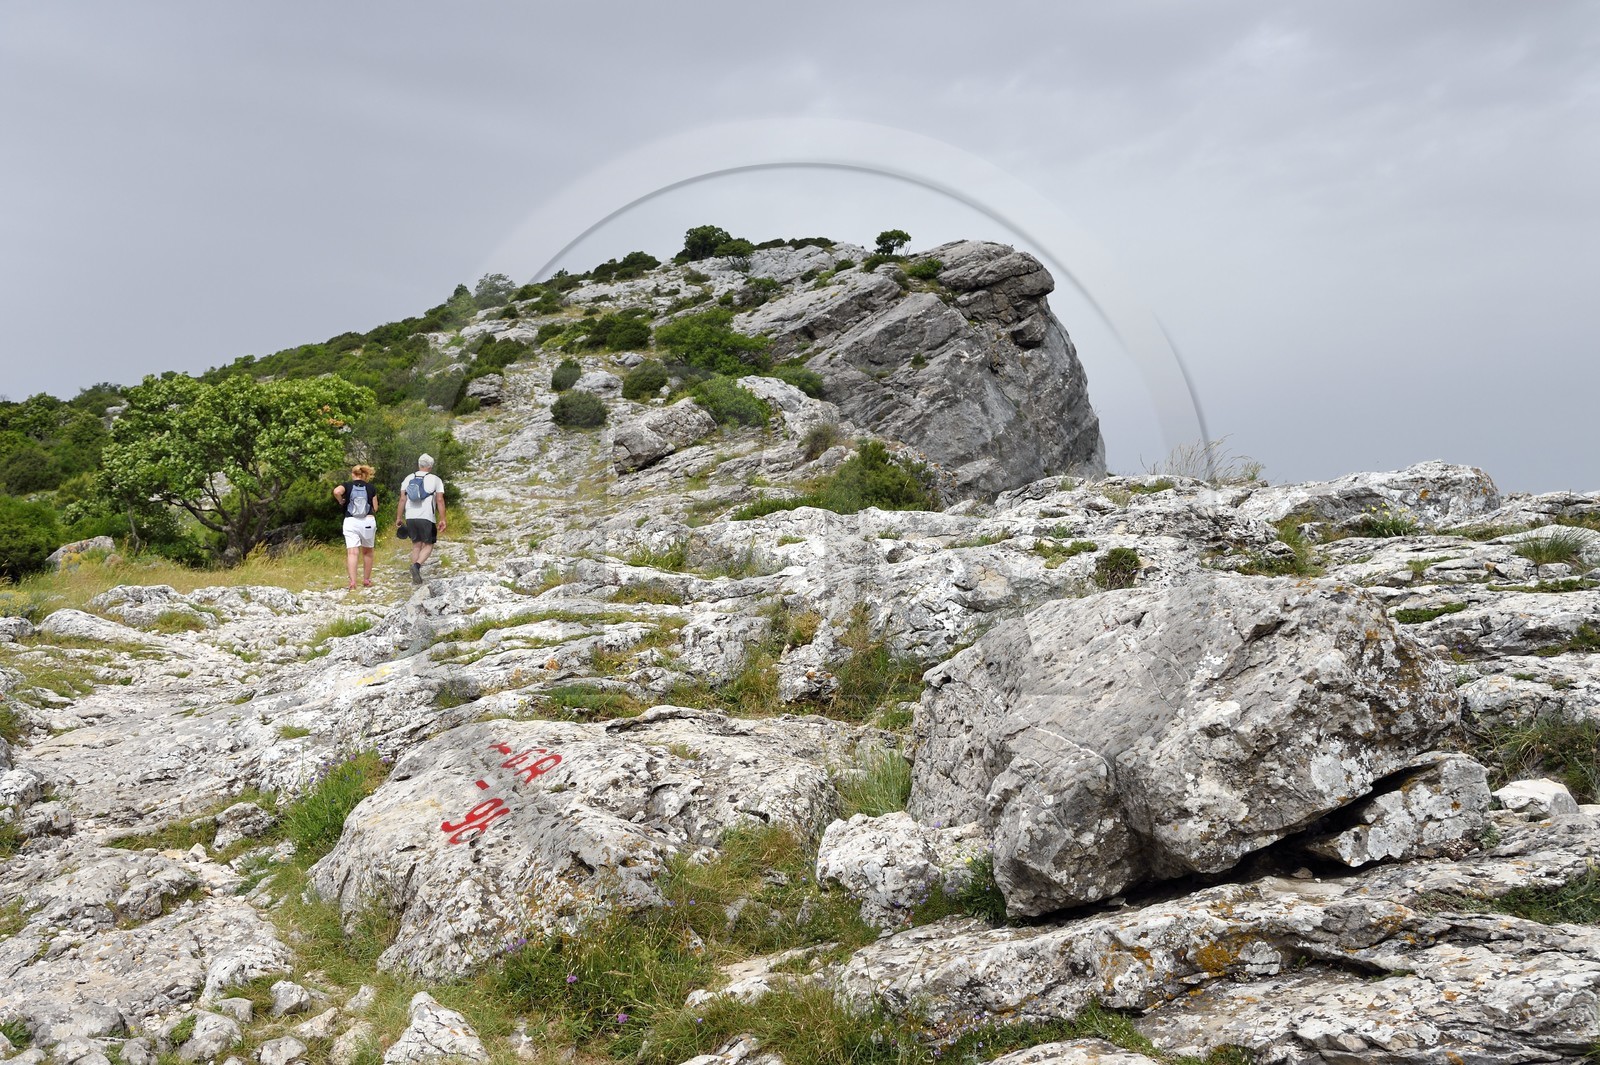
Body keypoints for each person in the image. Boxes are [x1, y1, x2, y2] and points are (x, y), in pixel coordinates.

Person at [396, 453, 446, 584]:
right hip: (426, 516)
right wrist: (442, 518)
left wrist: (399, 517)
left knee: (416, 545)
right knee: (429, 544)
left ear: (419, 464)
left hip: (411, 516)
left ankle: (415, 576)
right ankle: (416, 566)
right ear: (430, 466)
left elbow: (402, 499)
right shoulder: (435, 479)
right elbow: (440, 500)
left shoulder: (408, 478)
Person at [333, 464, 379, 590]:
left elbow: (336, 491)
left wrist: (341, 501)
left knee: (352, 552)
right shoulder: (371, 487)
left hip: (351, 521)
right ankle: (366, 580)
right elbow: (375, 508)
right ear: (365, 475)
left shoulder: (347, 485)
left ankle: (353, 582)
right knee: (368, 552)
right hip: (368, 521)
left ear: (353, 474)